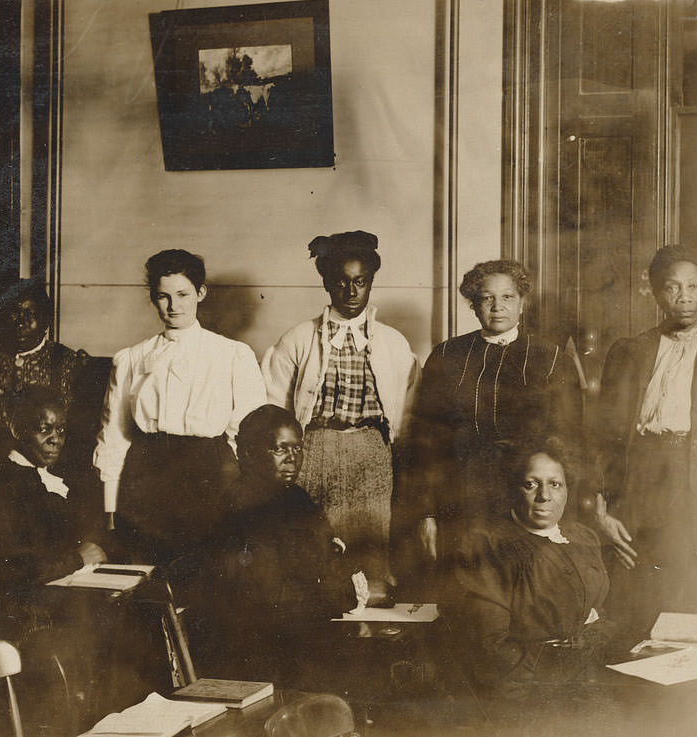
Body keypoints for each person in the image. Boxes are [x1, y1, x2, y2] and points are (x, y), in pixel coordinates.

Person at [261, 231, 417, 583]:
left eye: (360, 282)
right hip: (314, 450)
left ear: (371, 282)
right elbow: (273, 406)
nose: (351, 292)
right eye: (341, 283)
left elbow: (406, 410)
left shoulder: (393, 343)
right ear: (328, 285)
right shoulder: (298, 338)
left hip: (371, 456)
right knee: (312, 543)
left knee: (370, 548)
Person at [188, 405, 386, 684]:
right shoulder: (242, 508)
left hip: (295, 633)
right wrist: (349, 593)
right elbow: (274, 599)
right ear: (247, 454)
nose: (293, 459)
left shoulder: (296, 498)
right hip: (257, 652)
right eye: (280, 449)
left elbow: (329, 556)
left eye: (298, 448)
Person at [93, 249, 266, 563]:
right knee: (147, 572)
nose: (174, 306)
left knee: (207, 574)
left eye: (183, 294)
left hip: (210, 476)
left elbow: (250, 436)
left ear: (201, 293)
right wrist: (110, 506)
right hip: (146, 476)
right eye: (163, 296)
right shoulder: (132, 358)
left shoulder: (232, 355)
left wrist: (249, 502)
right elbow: (114, 436)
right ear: (153, 298)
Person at [409, 260, 580, 567]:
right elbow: (425, 442)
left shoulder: (551, 358)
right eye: (487, 298)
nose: (497, 307)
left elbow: (568, 439)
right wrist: (427, 512)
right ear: (474, 305)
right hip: (461, 495)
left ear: (522, 303)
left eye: (507, 297)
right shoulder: (447, 356)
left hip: (528, 497)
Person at [596, 245, 697, 640]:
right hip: (639, 479)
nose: (685, 298)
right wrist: (600, 503)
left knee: (694, 593)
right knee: (636, 590)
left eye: (695, 286)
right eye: (673, 288)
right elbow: (604, 437)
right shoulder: (629, 352)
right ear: (656, 293)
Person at [0, 386, 106, 641]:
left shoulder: (43, 478)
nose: (55, 439)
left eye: (60, 430)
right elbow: (10, 569)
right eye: (44, 429)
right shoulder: (2, 483)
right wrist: (77, 559)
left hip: (52, 592)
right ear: (18, 430)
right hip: (13, 612)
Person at [447, 437, 610, 698]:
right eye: (531, 484)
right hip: (525, 691)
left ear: (567, 489)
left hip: (587, 678)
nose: (544, 496)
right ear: (514, 488)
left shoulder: (583, 538)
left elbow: (598, 614)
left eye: (555, 485)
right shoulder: (489, 546)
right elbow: (491, 647)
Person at [0, 280, 90, 450]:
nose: (20, 322)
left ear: (46, 321)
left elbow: (78, 427)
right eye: (14, 313)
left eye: (30, 314)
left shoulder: (67, 361)